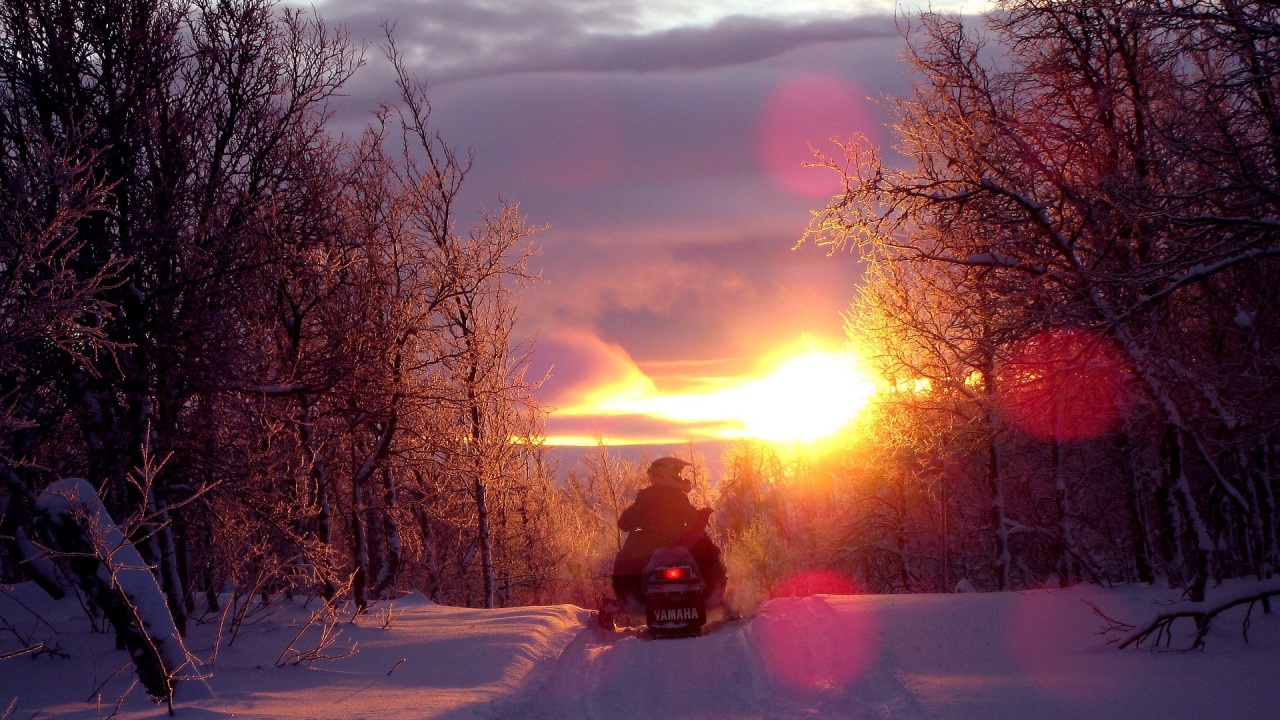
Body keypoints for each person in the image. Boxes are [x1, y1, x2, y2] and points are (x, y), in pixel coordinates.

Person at [610, 457, 726, 614]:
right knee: (711, 554)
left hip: (647, 543)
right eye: (677, 473)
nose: (681, 478)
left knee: (624, 561)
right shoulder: (678, 497)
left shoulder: (644, 496)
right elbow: (692, 520)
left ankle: (631, 600)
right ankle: (713, 597)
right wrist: (702, 515)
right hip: (677, 540)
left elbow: (624, 523)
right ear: (664, 474)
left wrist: (637, 520)